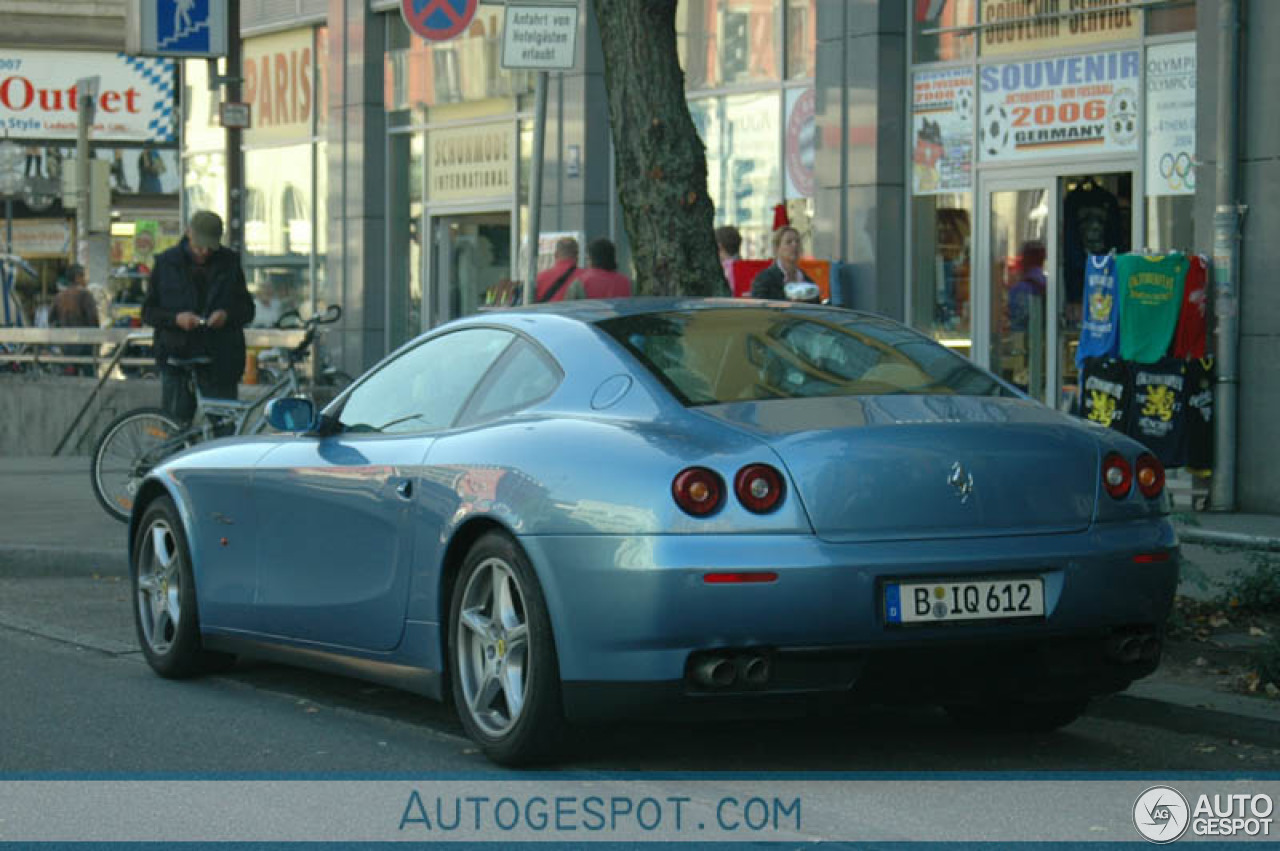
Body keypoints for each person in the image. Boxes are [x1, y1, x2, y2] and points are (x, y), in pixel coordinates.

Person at [143, 211, 255, 423]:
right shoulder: (166, 263)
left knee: (224, 431)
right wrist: (176, 319)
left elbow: (247, 309)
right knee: (175, 426)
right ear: (188, 234)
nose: (204, 252)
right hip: (177, 356)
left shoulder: (229, 263)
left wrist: (227, 315)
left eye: (210, 247)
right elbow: (149, 311)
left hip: (220, 360)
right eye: (199, 246)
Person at [50, 264, 99, 376]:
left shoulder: (59, 297)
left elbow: (51, 321)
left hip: (67, 348)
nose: (85, 280)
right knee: (90, 380)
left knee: (69, 380)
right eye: (83, 276)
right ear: (77, 277)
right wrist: (97, 344)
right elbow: (94, 321)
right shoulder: (85, 295)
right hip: (85, 347)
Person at [750, 225, 814, 300]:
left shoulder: (807, 281)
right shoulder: (764, 280)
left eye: (797, 241)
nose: (795, 245)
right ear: (777, 248)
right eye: (789, 242)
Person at [566, 238, 632, 300]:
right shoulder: (627, 283)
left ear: (591, 259)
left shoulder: (579, 283)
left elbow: (568, 308)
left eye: (587, 259)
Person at [534, 236, 579, 303]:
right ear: (577, 255)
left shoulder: (540, 277)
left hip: (547, 312)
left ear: (555, 254)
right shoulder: (585, 277)